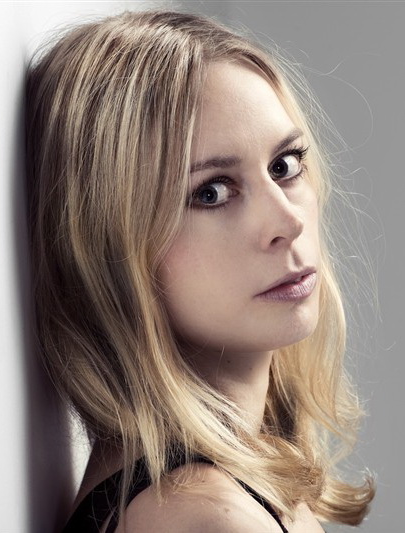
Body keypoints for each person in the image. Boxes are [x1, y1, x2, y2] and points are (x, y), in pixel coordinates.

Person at [25, 9, 375, 533]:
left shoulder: (218, 488)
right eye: (210, 192)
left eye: (284, 166)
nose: (288, 221)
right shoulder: (202, 516)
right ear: (108, 245)